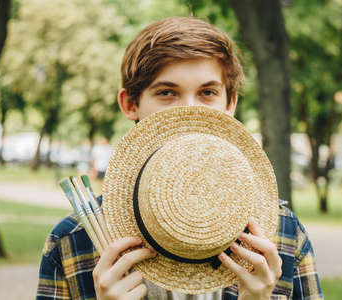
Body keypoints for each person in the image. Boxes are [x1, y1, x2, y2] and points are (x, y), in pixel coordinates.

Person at [36, 17, 323, 300]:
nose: (190, 111)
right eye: (167, 93)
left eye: (207, 92)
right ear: (130, 104)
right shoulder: (73, 242)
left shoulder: (283, 236)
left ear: (230, 104)